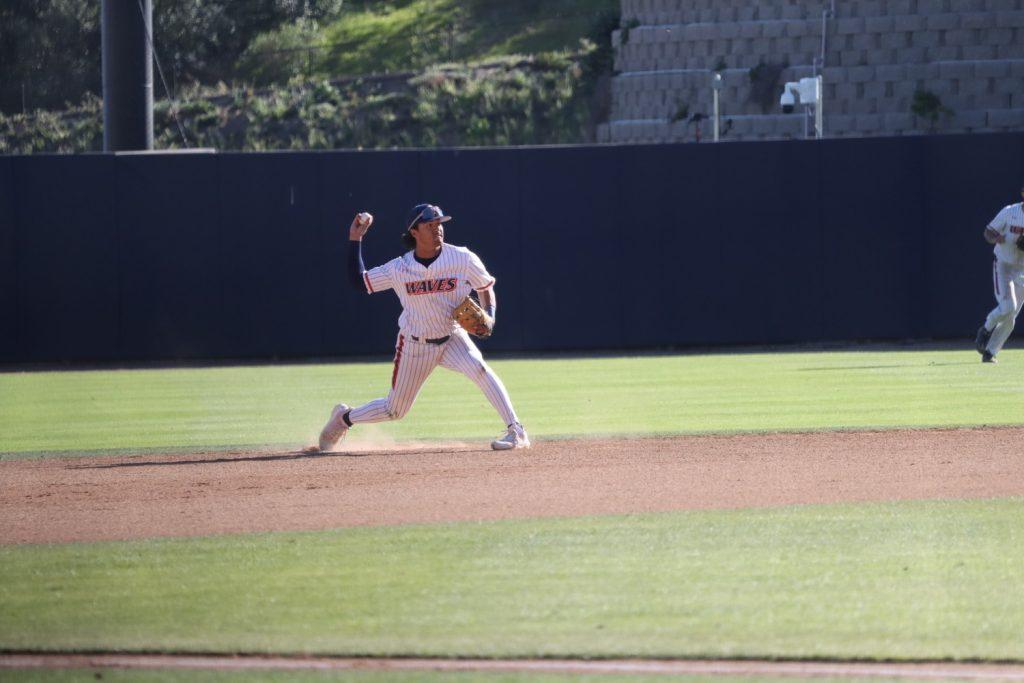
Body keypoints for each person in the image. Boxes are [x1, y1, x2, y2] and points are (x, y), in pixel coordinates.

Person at [317, 203, 530, 451]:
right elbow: (359, 281)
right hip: (415, 344)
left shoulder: (462, 258)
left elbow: (485, 287)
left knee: (480, 369)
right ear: (414, 232)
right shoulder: (400, 268)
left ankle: (516, 431)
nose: (437, 229)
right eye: (430, 225)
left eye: (439, 224)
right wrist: (355, 239)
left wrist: (490, 316)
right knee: (394, 410)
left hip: (452, 338)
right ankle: (344, 418)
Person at [975, 185, 1024, 363]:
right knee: (1007, 308)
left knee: (1011, 318)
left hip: (1022, 270)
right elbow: (988, 232)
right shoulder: (1010, 212)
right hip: (1003, 265)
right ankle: (986, 329)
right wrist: (996, 239)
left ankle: (990, 353)